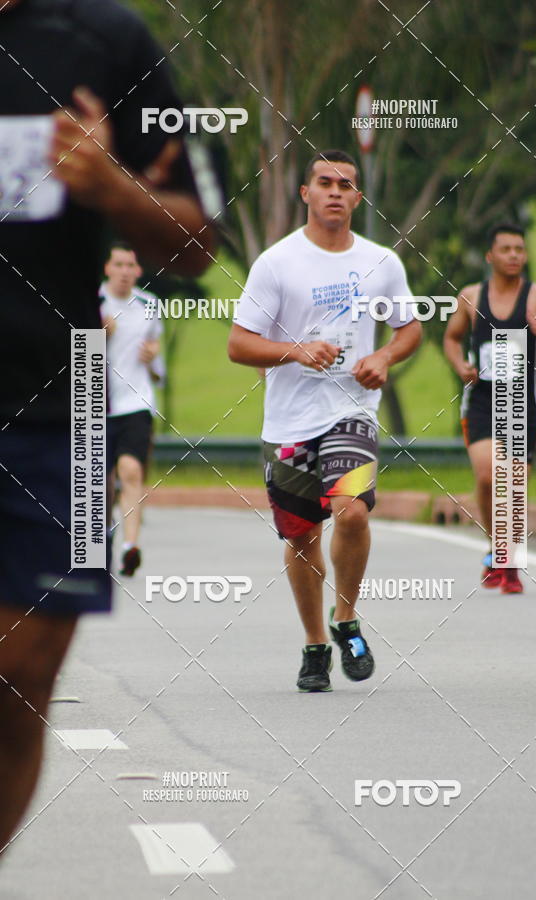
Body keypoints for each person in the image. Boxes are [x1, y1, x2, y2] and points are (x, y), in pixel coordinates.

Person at [0, 0, 213, 850]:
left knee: (20, 680)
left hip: (67, 404)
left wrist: (111, 185)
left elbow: (198, 239)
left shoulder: (110, 41)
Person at [228, 149, 422, 692]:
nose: (335, 191)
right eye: (324, 182)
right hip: (289, 423)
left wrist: (383, 357)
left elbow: (409, 329)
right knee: (302, 536)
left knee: (352, 513)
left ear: (358, 197)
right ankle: (315, 645)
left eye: (346, 184)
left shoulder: (382, 262)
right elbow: (238, 344)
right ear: (305, 193)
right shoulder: (277, 263)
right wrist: (294, 351)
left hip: (351, 413)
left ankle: (346, 619)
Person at [443, 223, 536, 593]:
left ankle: (508, 562)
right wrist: (459, 365)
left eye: (520, 249)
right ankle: (496, 546)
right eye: (506, 249)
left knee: (513, 483)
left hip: (520, 402)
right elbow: (451, 338)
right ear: (490, 256)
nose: (514, 255)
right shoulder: (471, 296)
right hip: (481, 399)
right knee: (487, 477)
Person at [101, 244, 162, 577]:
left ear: (138, 270)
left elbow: (157, 367)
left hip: (136, 402)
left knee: (131, 471)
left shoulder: (149, 305)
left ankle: (131, 546)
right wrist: (98, 336)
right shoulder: (91, 304)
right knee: (103, 483)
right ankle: (105, 537)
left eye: (130, 264)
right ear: (107, 269)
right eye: (118, 264)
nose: (125, 270)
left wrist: (153, 359)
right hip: (96, 405)